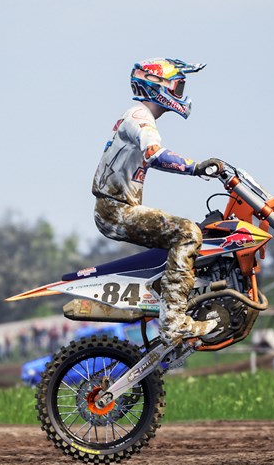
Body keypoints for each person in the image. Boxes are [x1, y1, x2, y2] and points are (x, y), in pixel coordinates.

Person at [91, 57, 223, 344]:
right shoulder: (140, 117)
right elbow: (154, 154)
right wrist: (196, 167)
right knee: (187, 233)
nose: (180, 93)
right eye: (177, 86)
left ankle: (173, 294)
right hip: (115, 210)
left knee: (191, 232)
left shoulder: (137, 116)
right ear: (157, 86)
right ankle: (174, 322)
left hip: (117, 207)